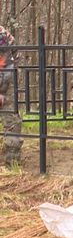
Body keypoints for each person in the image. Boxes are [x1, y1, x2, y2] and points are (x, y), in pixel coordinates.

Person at [0, 25, 21, 166]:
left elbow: (6, 65)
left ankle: (11, 162)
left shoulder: (2, 36)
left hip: (4, 84)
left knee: (11, 121)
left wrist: (1, 91)